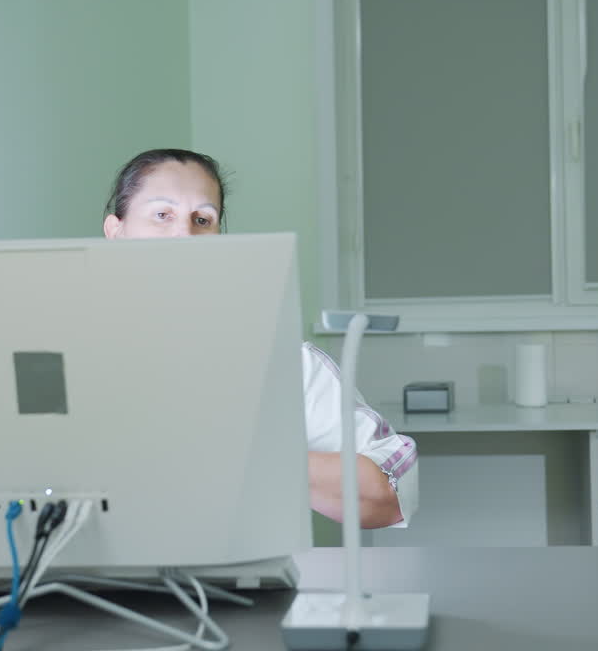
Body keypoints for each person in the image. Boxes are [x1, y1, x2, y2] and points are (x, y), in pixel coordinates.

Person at [102, 149, 418, 529]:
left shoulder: (280, 361)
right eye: (162, 215)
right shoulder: (57, 351)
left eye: (202, 219)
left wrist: (237, 450)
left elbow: (391, 495)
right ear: (115, 231)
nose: (184, 234)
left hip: (225, 584)